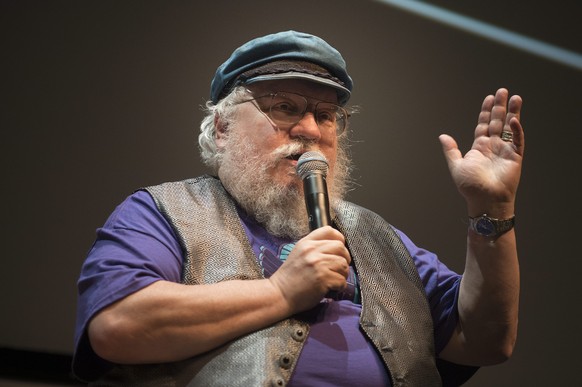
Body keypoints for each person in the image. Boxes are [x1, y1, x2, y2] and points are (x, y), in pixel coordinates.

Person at [72, 30, 524, 386]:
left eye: (325, 116)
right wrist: (282, 293)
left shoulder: (379, 237)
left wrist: (492, 208)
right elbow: (117, 326)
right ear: (223, 127)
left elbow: (486, 341)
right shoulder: (164, 211)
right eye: (285, 107)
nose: (310, 130)